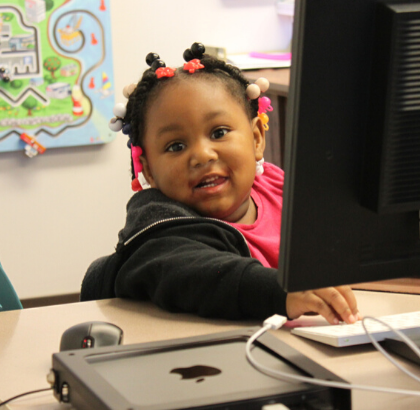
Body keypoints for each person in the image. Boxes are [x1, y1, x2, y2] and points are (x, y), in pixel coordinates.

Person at [81, 43, 361, 325]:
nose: (202, 155)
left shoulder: (277, 187)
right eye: (176, 146)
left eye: (219, 132)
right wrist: (281, 291)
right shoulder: (158, 228)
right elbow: (194, 272)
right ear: (149, 170)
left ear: (256, 139)